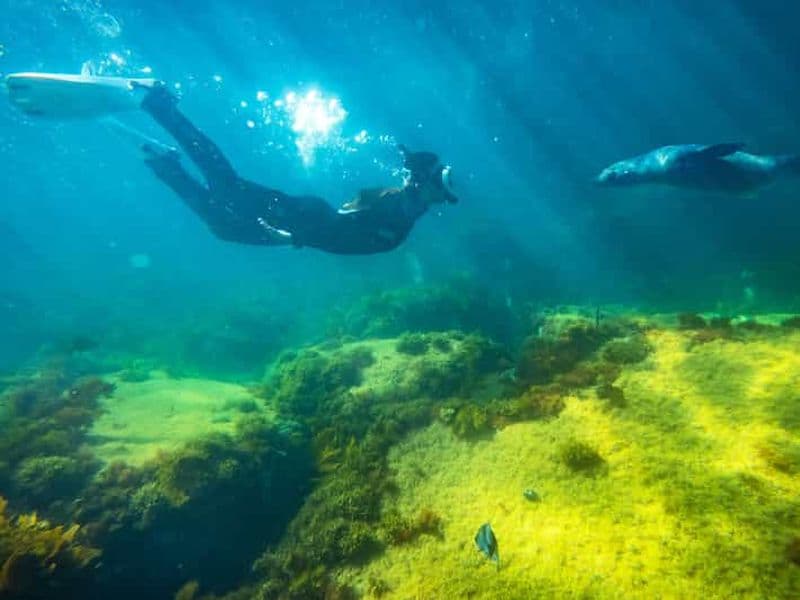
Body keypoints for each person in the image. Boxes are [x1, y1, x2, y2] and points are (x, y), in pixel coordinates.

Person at [138, 84, 458, 254]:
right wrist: (290, 238)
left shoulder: (405, 206)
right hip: (301, 221)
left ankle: (166, 164)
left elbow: (352, 224)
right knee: (224, 189)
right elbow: (345, 236)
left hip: (304, 221)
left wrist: (294, 238)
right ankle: (162, 111)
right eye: (441, 190)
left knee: (222, 222)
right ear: (428, 182)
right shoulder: (403, 208)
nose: (441, 199)